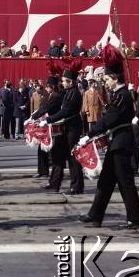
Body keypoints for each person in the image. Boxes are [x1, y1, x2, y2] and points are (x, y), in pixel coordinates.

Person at [79, 43, 139, 230]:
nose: (105, 81)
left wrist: (89, 134)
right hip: (116, 143)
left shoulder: (121, 95)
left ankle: (135, 218)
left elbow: (109, 119)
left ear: (114, 78)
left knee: (125, 183)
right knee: (106, 181)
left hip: (121, 144)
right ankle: (95, 213)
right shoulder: (118, 93)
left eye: (107, 78)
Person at [40, 61, 84, 195]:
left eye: (65, 81)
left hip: (73, 128)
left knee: (72, 157)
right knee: (59, 156)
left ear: (70, 82)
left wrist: (48, 120)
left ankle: (77, 186)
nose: (62, 83)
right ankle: (55, 183)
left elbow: (65, 111)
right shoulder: (68, 92)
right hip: (66, 128)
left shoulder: (74, 93)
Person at [31, 76, 63, 187]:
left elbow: (46, 108)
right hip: (47, 124)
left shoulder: (55, 96)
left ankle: (51, 177)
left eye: (48, 86)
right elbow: (43, 107)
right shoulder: (49, 95)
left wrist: (33, 117)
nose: (46, 87)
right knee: (42, 149)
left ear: (52, 87)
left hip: (53, 125)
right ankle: (43, 171)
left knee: (53, 153)